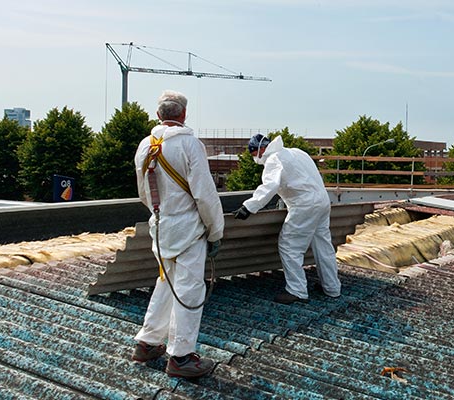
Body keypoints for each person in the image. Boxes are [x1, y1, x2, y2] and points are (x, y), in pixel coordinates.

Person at [131, 90, 224, 379]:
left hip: (161, 228)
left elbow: (144, 194)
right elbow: (205, 196)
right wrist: (215, 231)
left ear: (158, 115)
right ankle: (181, 357)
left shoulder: (145, 145)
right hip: (188, 231)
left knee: (166, 284)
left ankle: (148, 342)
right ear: (183, 114)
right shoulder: (190, 145)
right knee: (188, 290)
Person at [234, 134, 341, 304]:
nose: (255, 158)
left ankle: (297, 291)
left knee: (289, 245)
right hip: (322, 201)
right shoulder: (297, 152)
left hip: (305, 205)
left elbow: (270, 185)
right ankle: (332, 288)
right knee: (323, 245)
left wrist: (249, 207)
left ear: (260, 149)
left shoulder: (273, 159)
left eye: (253, 154)